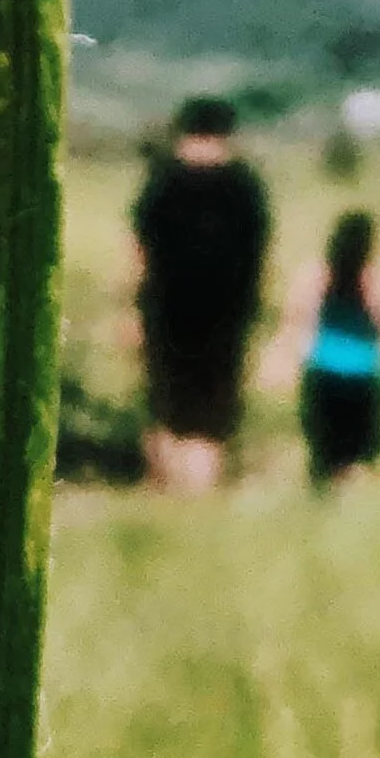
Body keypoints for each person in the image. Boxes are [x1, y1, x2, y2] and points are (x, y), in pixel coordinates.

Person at [132, 96, 271, 495]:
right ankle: (202, 489)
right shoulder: (245, 186)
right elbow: (260, 253)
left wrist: (129, 308)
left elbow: (138, 251)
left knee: (166, 399)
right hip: (227, 313)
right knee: (215, 403)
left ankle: (167, 486)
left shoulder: (162, 181)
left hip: (165, 310)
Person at [297, 209, 380, 486]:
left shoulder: (317, 275)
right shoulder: (376, 281)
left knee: (325, 453)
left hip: (323, 371)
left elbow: (298, 319)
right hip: (363, 373)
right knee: (356, 457)